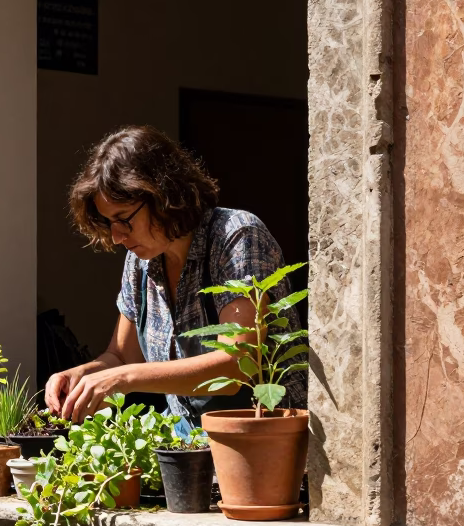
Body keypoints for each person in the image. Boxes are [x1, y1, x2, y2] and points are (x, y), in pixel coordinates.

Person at [44, 125, 306, 427]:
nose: (116, 237)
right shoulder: (140, 262)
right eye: (108, 223)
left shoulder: (235, 237)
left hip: (261, 441)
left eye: (123, 219)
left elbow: (237, 367)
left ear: (162, 196)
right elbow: (120, 356)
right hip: (187, 448)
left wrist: (122, 379)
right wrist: (82, 375)